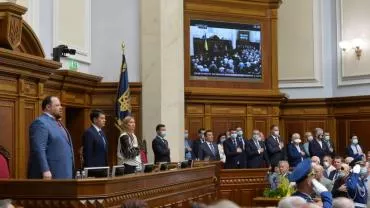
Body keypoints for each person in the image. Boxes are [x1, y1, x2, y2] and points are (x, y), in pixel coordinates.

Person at [27, 96, 74, 179]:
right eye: (57, 105)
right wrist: (45, 170)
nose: (61, 107)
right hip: (51, 173)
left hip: (64, 171)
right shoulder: (40, 123)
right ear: (48, 107)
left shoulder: (57, 123)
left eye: (60, 105)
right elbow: (39, 149)